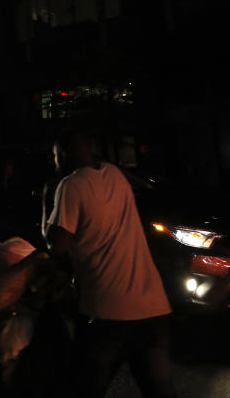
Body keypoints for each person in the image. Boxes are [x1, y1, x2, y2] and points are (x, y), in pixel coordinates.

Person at [43, 131, 174, 398]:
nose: (55, 163)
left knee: (84, 388)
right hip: (154, 307)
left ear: (65, 155)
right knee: (160, 392)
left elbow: (56, 246)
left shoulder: (70, 185)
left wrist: (48, 200)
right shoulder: (116, 174)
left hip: (107, 312)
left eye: (55, 157)